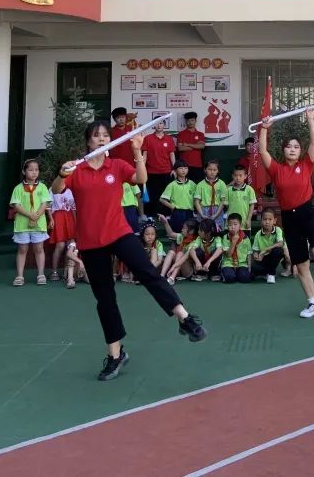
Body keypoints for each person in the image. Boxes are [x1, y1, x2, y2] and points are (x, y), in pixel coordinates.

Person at [52, 120, 206, 382]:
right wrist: (61, 174)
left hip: (119, 233)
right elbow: (57, 189)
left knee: (149, 273)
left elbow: (141, 179)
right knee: (105, 299)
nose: (102, 139)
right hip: (90, 243)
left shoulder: (117, 165)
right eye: (96, 135)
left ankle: (184, 318)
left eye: (105, 135)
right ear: (88, 141)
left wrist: (137, 151)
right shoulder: (77, 169)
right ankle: (115, 355)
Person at [259, 109, 314, 318]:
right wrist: (264, 128)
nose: (293, 149)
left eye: (296, 147)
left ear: (300, 150)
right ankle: (312, 304)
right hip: (289, 218)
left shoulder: (306, 164)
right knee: (302, 266)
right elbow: (263, 151)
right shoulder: (276, 170)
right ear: (283, 150)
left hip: (307, 213)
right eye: (289, 146)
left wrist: (311, 120)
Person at [9, 159, 51, 287]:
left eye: (36, 170)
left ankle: (41, 274)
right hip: (22, 224)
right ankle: (20, 276)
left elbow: (45, 203)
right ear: (24, 171)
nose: (34, 172)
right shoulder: (18, 188)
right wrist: (30, 215)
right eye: (31, 170)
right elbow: (16, 205)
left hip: (39, 223)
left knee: (39, 248)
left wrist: (36, 216)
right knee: (22, 249)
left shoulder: (42, 187)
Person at [142, 121, 177, 211]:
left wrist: (174, 169)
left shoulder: (169, 138)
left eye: (161, 123)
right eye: (157, 123)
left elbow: (172, 155)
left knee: (166, 195)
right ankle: (152, 214)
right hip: (151, 172)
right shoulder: (148, 138)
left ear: (164, 125)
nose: (158, 125)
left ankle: (165, 213)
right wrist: (142, 168)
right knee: (153, 194)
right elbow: (145, 154)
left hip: (166, 172)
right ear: (154, 125)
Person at [252, 207, 291, 284]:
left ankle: (271, 274)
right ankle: (267, 272)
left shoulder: (278, 230)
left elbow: (280, 243)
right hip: (264, 258)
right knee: (254, 269)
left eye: (270, 219)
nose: (267, 222)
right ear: (261, 220)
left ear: (274, 221)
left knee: (278, 250)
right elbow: (255, 251)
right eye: (265, 219)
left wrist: (267, 248)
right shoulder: (258, 234)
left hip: (274, 256)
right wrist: (256, 256)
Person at [160, 213, 200, 282]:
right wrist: (165, 222)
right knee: (171, 252)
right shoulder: (182, 236)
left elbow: (185, 257)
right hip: (177, 268)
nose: (182, 230)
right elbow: (171, 234)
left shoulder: (196, 242)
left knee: (180, 253)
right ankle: (162, 276)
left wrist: (174, 266)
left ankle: (172, 278)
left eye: (184, 228)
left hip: (187, 271)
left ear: (191, 231)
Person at [160, 159, 197, 232]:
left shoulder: (192, 184)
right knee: (177, 232)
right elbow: (162, 199)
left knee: (190, 233)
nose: (183, 170)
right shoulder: (172, 185)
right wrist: (173, 207)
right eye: (180, 168)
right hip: (177, 213)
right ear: (175, 170)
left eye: (185, 168)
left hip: (189, 212)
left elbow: (197, 198)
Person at [49, 187, 77, 281]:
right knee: (60, 245)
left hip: (69, 217)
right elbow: (48, 206)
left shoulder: (71, 189)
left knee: (71, 245)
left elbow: (73, 207)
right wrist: (51, 219)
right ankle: (54, 272)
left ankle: (67, 272)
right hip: (58, 216)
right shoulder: (53, 188)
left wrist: (76, 222)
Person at [195, 160, 229, 230]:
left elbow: (223, 201)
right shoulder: (200, 184)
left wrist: (216, 215)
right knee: (203, 231)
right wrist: (202, 214)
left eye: (214, 170)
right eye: (210, 169)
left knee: (217, 231)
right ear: (205, 170)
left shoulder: (221, 184)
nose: (212, 172)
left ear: (218, 171)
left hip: (217, 210)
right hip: (203, 210)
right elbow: (196, 201)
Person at [221, 214, 253, 283]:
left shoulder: (246, 238)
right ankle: (228, 273)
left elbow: (249, 254)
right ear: (227, 226)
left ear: (240, 226)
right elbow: (228, 255)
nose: (233, 227)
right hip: (228, 264)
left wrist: (249, 269)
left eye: (235, 224)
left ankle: (238, 274)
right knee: (229, 278)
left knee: (245, 278)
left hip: (242, 264)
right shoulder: (225, 237)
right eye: (230, 225)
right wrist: (233, 242)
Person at [176, 112, 206, 183]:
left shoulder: (200, 134)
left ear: (195, 121)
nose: (190, 122)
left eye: (192, 120)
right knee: (184, 186)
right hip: (184, 166)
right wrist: (196, 146)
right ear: (186, 121)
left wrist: (187, 144)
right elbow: (180, 148)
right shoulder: (181, 134)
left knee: (197, 186)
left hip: (197, 165)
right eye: (188, 120)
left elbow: (202, 146)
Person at [227, 164, 258, 231]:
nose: (238, 178)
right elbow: (226, 205)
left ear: (245, 176)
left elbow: (252, 205)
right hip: (231, 225)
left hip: (244, 223)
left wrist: (249, 219)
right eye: (236, 175)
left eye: (240, 175)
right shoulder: (229, 190)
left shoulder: (249, 189)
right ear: (232, 176)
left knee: (245, 238)